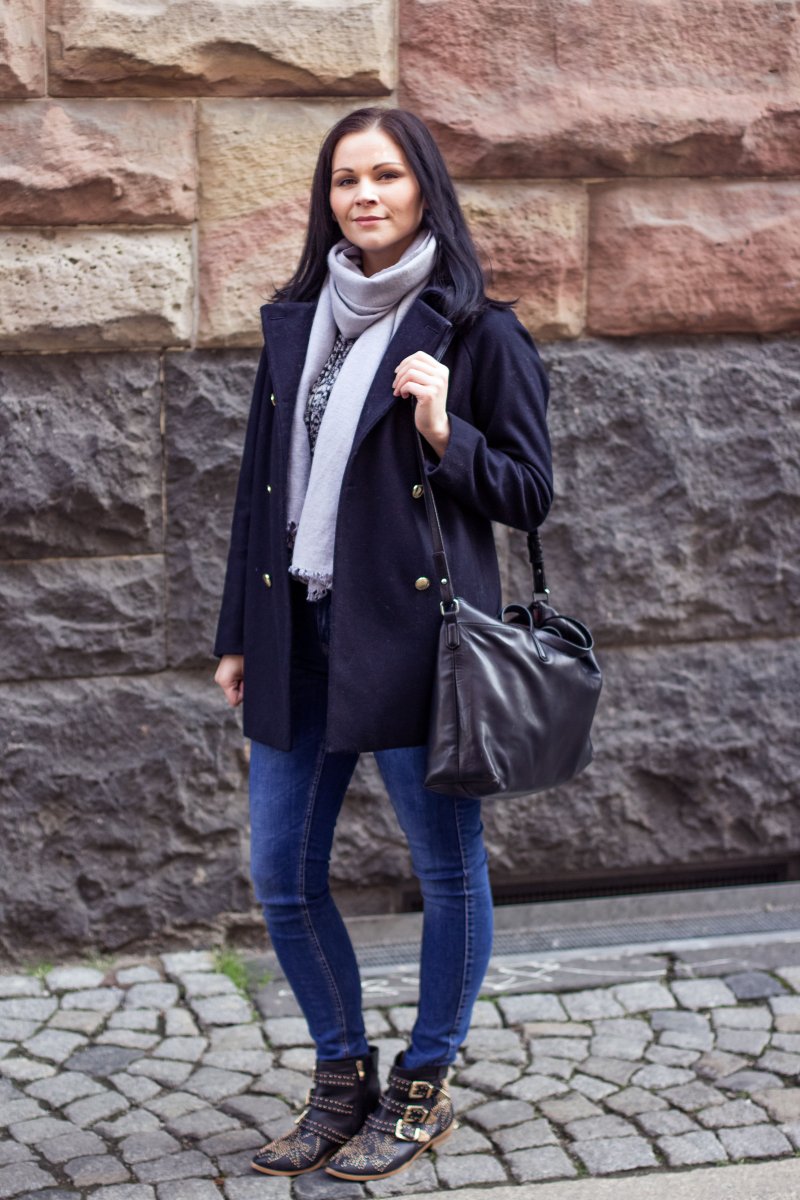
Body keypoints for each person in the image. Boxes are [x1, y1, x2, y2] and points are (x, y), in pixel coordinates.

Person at [213, 106, 553, 1182]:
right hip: (298, 628)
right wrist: (237, 633)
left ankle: (423, 1083)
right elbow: (260, 491)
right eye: (344, 180)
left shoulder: (477, 329)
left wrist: (447, 432)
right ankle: (338, 1079)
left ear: (424, 190)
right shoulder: (299, 321)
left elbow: (528, 494)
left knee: (445, 869)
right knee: (281, 874)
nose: (364, 196)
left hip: (415, 643)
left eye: (387, 176)